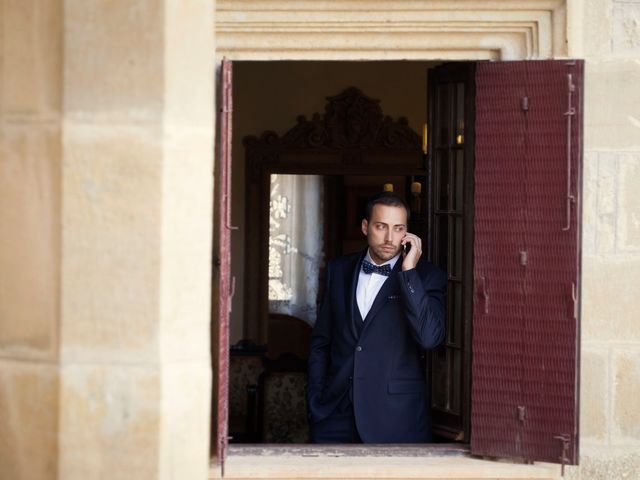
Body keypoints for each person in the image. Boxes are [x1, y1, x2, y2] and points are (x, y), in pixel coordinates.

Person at [306, 192, 447, 443]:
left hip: (395, 418)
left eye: (398, 228)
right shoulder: (339, 270)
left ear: (407, 233)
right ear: (365, 227)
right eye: (381, 226)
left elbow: (429, 338)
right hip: (334, 414)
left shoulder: (425, 277)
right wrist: (315, 398)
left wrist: (408, 273)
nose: (390, 238)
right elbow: (322, 342)